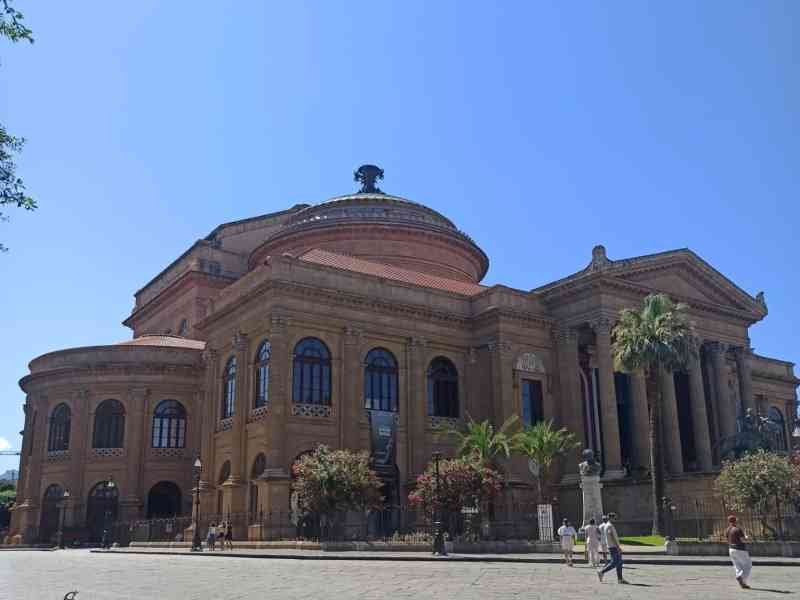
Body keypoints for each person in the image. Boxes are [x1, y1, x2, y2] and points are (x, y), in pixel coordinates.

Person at [598, 513, 628, 584]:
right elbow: (612, 536)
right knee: (614, 562)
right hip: (613, 547)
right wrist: (618, 547)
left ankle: (620, 579)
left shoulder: (608, 525)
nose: (615, 519)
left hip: (612, 546)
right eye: (614, 518)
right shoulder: (609, 526)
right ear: (611, 518)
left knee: (619, 563)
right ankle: (601, 572)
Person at [726, 515, 751, 589]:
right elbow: (743, 540)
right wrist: (747, 537)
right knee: (748, 565)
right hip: (740, 549)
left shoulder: (727, 530)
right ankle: (741, 577)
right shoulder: (738, 529)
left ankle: (743, 583)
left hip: (731, 549)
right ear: (736, 521)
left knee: (737, 566)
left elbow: (728, 539)